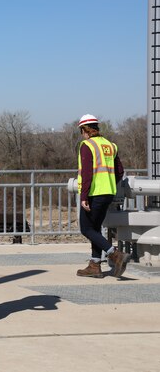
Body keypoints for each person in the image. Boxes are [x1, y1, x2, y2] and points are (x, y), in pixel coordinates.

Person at [75, 114, 131, 279]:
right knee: (95, 229)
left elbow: (86, 173)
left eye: (81, 131)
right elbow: (120, 171)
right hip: (108, 192)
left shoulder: (87, 145)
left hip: (94, 193)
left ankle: (114, 254)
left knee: (86, 228)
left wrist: (84, 196)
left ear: (84, 130)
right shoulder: (110, 145)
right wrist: (109, 183)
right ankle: (95, 265)